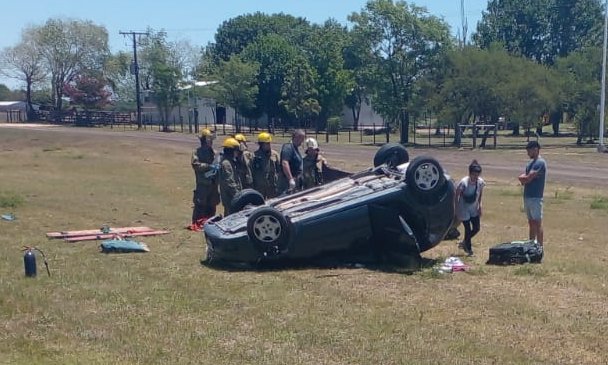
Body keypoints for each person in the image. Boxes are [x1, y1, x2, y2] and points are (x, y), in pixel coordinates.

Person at [189, 128, 220, 231]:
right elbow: (196, 165)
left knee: (212, 204)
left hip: (213, 183)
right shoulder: (197, 152)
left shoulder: (214, 153)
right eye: (209, 140)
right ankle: (197, 223)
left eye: (211, 140)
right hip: (203, 183)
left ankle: (210, 224)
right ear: (204, 140)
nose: (211, 142)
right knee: (200, 205)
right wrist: (208, 166)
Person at [518, 140, 547, 246]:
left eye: (529, 151)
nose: (528, 153)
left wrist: (523, 178)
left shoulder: (540, 162)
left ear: (536, 149)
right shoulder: (530, 163)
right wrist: (523, 178)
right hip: (527, 196)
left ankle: (539, 247)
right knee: (531, 223)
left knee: (537, 223)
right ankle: (531, 245)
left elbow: (528, 178)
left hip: (536, 197)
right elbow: (524, 179)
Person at [455, 160, 485, 256]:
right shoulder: (464, 183)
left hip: (473, 208)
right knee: (467, 229)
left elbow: (480, 194)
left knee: (476, 228)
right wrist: (456, 209)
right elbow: (456, 195)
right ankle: (469, 250)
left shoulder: (480, 182)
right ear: (470, 174)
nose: (476, 177)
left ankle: (464, 242)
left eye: (477, 175)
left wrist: (480, 206)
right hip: (463, 208)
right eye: (474, 175)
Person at [218, 137, 246, 216]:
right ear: (231, 151)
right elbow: (230, 182)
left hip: (231, 196)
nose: (237, 153)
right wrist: (238, 195)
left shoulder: (230, 162)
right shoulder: (227, 163)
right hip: (230, 197)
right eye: (236, 150)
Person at [251, 132, 281, 198]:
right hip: (259, 186)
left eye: (269, 143)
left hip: (272, 186)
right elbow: (251, 171)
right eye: (267, 143)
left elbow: (279, 169)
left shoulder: (275, 154)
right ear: (261, 144)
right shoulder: (254, 156)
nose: (269, 145)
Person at [278, 129, 306, 194]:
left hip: (295, 180)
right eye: (302, 138)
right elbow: (285, 163)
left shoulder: (295, 148)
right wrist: (290, 179)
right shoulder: (288, 147)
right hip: (287, 181)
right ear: (297, 137)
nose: (303, 141)